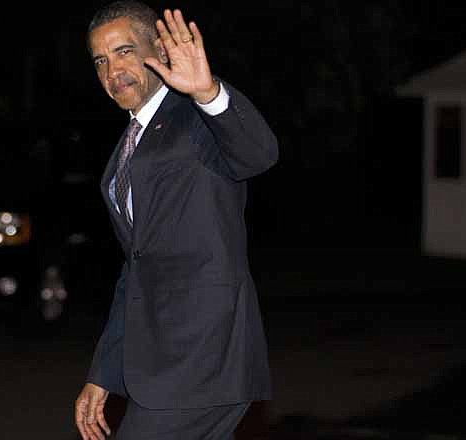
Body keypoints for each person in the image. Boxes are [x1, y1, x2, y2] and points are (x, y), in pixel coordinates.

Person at [74, 1, 278, 439]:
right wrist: (104, 371)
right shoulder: (123, 153)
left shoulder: (195, 117)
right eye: (101, 60)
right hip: (159, 359)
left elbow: (258, 154)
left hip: (206, 353)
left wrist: (208, 94)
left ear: (159, 52)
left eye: (125, 52)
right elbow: (137, 268)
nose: (113, 70)